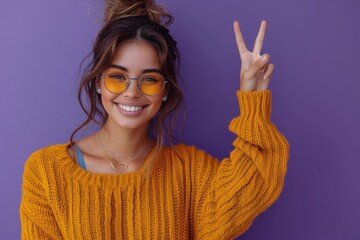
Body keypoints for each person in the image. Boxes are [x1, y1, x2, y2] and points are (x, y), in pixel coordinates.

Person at [19, 0, 289, 239]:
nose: (132, 91)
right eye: (117, 76)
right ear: (99, 82)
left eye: (149, 79)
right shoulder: (46, 172)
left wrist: (252, 100)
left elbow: (254, 181)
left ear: (164, 91)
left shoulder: (189, 172)